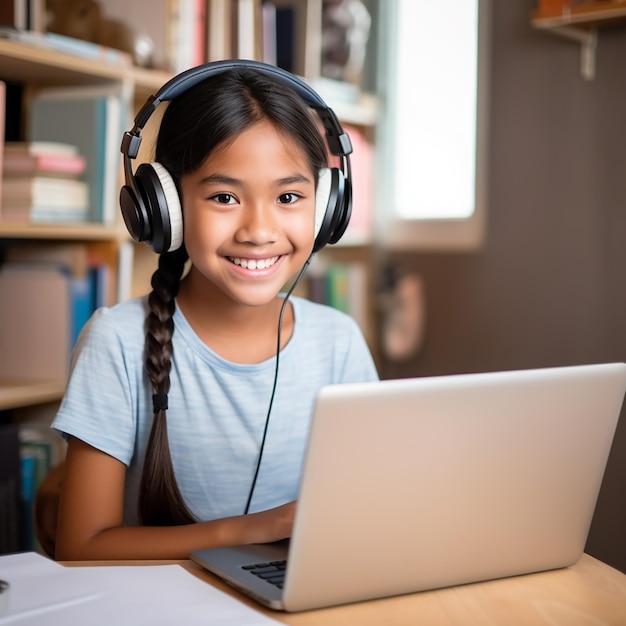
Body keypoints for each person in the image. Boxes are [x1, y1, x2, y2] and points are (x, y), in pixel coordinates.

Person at [51, 61, 379, 561]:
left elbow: (369, 510)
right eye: (224, 197)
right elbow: (82, 545)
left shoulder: (338, 342)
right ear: (167, 207)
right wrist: (247, 531)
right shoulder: (116, 342)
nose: (258, 230)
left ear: (327, 205)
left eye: (289, 196)